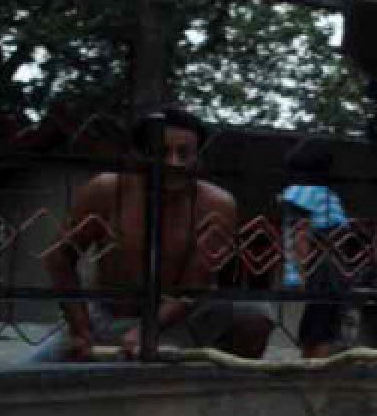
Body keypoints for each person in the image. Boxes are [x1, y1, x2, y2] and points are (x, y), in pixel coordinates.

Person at [30, 107, 273, 361]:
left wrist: (147, 331)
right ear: (139, 155)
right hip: (107, 317)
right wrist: (80, 328)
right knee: (27, 379)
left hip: (180, 319)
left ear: (198, 158)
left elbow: (194, 285)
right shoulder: (107, 190)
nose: (173, 163)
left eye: (184, 154)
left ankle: (224, 389)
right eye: (162, 152)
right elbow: (60, 257)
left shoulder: (216, 204)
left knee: (253, 312)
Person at [280, 141, 349, 358]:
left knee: (317, 321)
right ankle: (315, 367)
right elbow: (302, 233)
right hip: (322, 268)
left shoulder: (298, 193)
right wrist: (302, 274)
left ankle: (311, 363)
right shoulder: (316, 194)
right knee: (323, 324)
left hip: (317, 266)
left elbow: (299, 232)